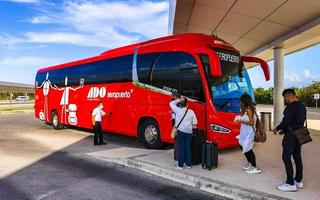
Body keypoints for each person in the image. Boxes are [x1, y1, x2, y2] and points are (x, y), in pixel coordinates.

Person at [272, 89, 306, 192]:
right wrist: (284, 131)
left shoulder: (291, 107)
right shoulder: (302, 106)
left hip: (291, 137)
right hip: (299, 134)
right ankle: (298, 181)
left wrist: (277, 128)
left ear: (287, 96)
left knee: (286, 157)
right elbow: (296, 121)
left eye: (284, 98)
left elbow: (286, 121)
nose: (284, 100)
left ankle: (290, 183)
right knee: (297, 157)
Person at [234, 93, 261, 174]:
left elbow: (252, 122)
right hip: (244, 131)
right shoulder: (246, 109)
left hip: (249, 132)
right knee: (241, 145)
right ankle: (250, 163)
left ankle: (255, 167)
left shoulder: (249, 109)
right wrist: (239, 117)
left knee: (248, 149)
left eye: (241, 101)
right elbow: (244, 117)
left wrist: (240, 121)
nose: (240, 102)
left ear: (244, 101)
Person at [170, 96, 197, 170]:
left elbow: (171, 103)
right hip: (189, 132)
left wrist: (178, 99)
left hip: (180, 132)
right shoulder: (191, 111)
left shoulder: (177, 110)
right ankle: (189, 164)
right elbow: (195, 122)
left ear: (180, 104)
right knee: (188, 147)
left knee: (181, 148)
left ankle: (180, 165)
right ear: (187, 104)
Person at [171, 91, 180, 161]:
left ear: (175, 96)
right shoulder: (179, 103)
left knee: (176, 141)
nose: (171, 97)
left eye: (172, 96)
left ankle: (176, 157)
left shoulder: (175, 103)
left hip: (176, 123)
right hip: (178, 123)